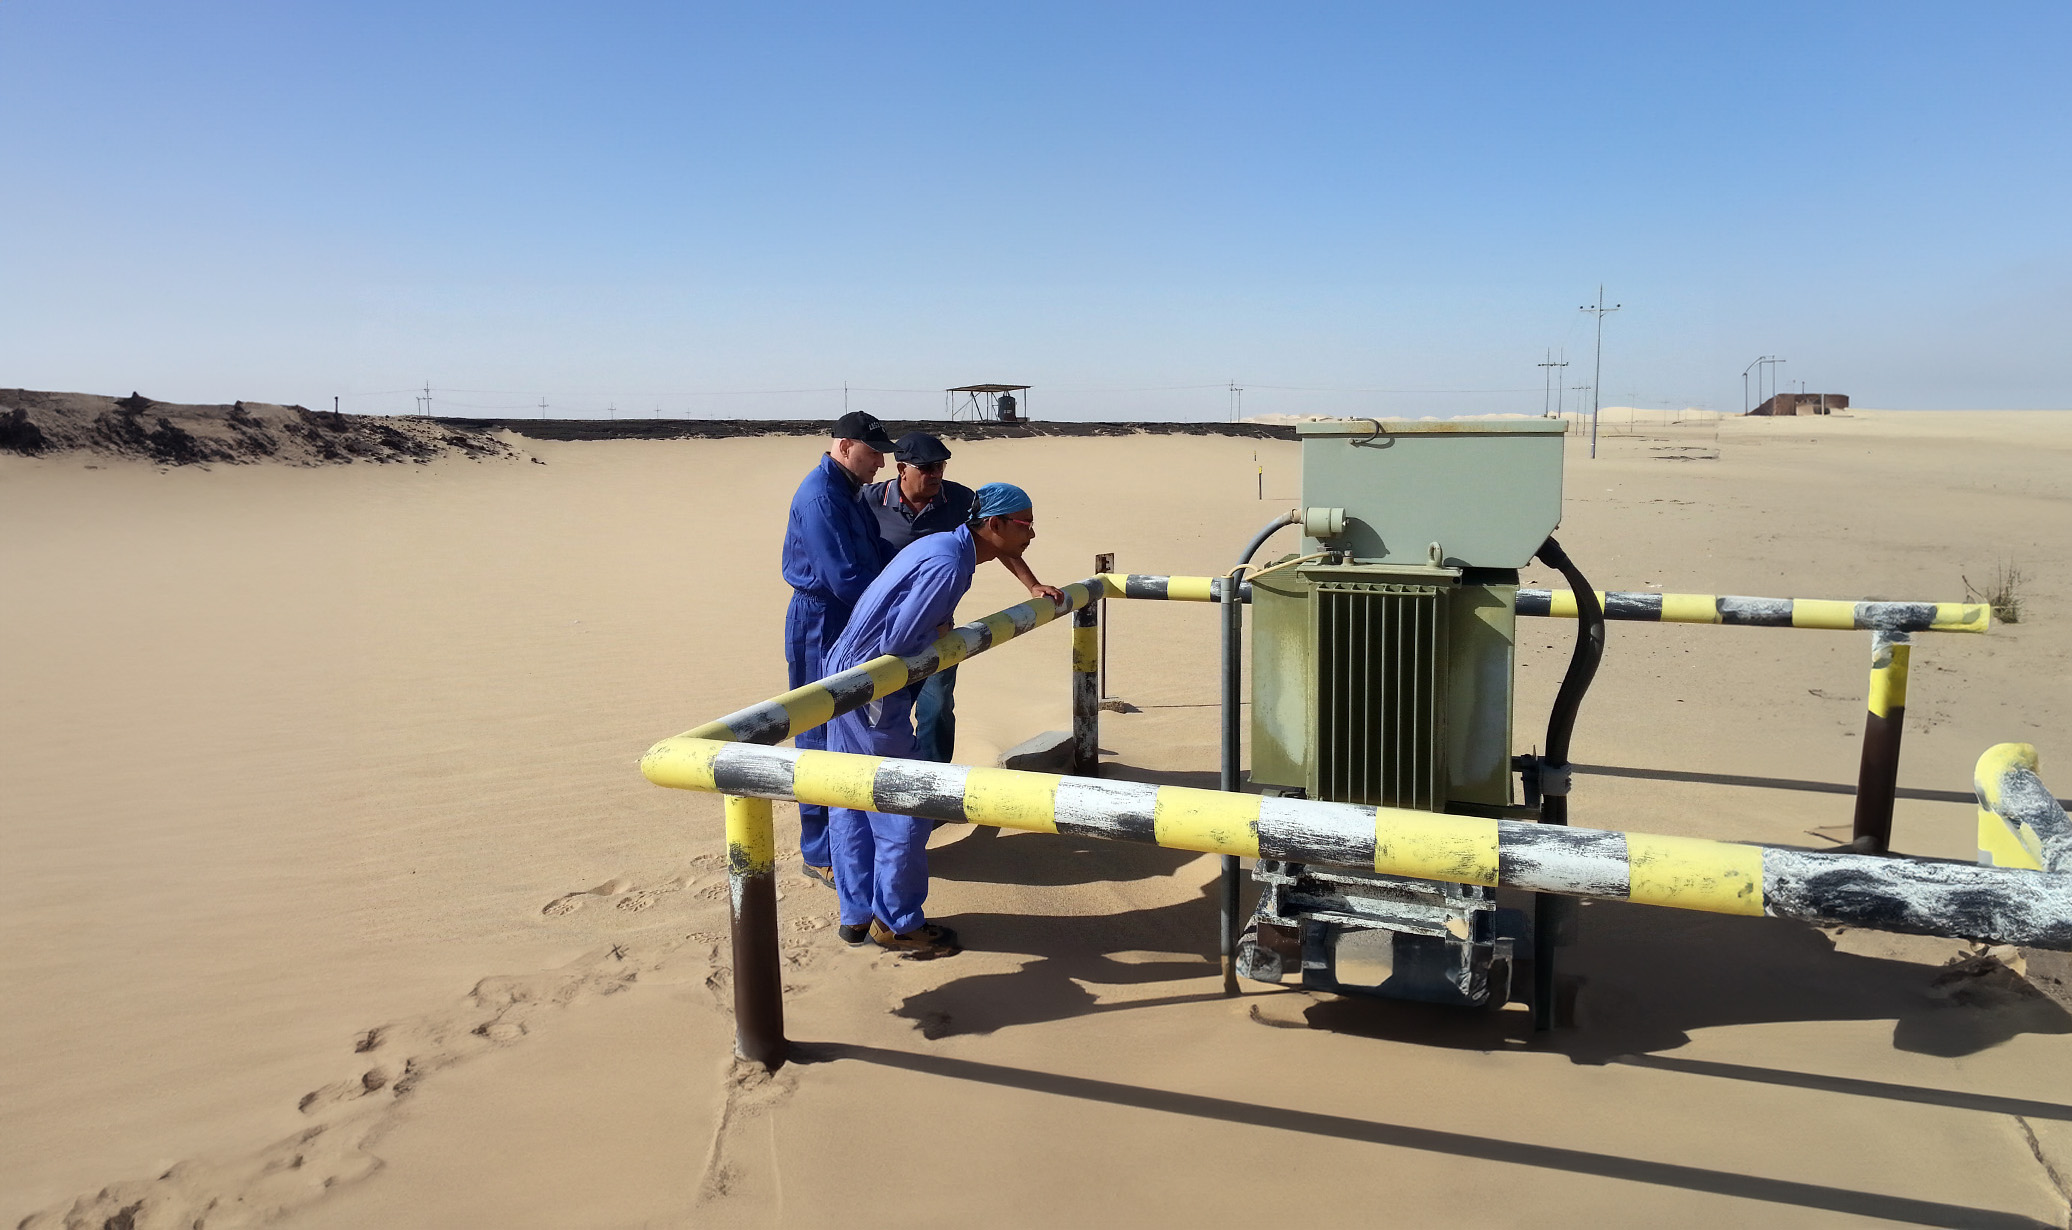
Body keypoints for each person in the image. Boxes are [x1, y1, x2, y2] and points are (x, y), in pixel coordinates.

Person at [824, 482, 1042, 957]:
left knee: (849, 795)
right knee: (902, 802)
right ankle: (897, 922)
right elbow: (899, 641)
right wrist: (941, 630)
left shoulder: (946, 544)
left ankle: (856, 915)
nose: (1031, 535)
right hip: (871, 686)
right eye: (1026, 525)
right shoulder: (949, 563)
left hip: (846, 673)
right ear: (994, 525)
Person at [863, 431, 1060, 762]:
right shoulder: (869, 500)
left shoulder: (960, 500)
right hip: (884, 626)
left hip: (935, 621)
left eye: (941, 466)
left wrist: (1033, 585)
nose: (936, 474)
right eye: (926, 467)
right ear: (901, 469)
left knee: (937, 704)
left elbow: (998, 538)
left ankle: (937, 777)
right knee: (885, 714)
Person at [780, 411, 896, 888]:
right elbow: (843, 576)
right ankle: (819, 852)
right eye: (875, 453)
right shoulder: (822, 496)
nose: (881, 463)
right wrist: (895, 611)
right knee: (816, 729)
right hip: (820, 618)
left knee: (849, 725)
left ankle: (849, 838)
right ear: (846, 447)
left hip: (849, 613)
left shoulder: (847, 489)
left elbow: (875, 551)